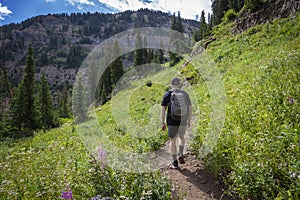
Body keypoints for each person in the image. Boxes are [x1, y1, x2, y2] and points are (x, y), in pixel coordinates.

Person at [161, 77, 192, 168]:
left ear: (171, 84)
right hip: (182, 120)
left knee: (172, 140)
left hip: (171, 121)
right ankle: (180, 154)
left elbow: (163, 109)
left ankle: (174, 162)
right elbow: (190, 108)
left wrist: (162, 123)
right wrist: (189, 120)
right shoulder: (185, 94)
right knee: (181, 137)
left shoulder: (167, 94)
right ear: (179, 84)